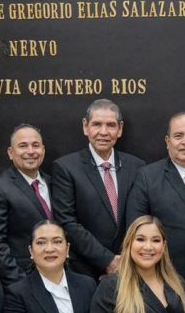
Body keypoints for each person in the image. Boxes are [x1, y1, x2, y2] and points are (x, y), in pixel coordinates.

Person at [51, 99, 145, 280]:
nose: (103, 132)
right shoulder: (65, 168)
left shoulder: (137, 167)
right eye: (97, 124)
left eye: (111, 125)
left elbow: (141, 218)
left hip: (130, 268)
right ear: (85, 127)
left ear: (120, 129)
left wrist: (126, 259)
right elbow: (67, 222)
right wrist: (107, 260)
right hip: (85, 272)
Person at [125, 112, 185, 287]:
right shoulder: (147, 178)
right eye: (178, 136)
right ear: (167, 141)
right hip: (167, 280)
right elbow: (135, 230)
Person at [0, 124, 54, 287]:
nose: (31, 151)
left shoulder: (54, 183)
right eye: (23, 146)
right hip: (23, 281)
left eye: (35, 145)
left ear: (43, 150)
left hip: (59, 277)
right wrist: (21, 283)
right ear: (10, 153)